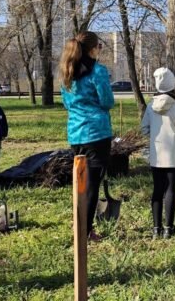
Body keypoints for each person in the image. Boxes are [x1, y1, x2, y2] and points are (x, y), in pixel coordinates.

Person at [60, 31, 114, 242]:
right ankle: (84, 230)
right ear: (92, 48)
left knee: (79, 182)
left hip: (76, 134)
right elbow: (107, 101)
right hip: (97, 133)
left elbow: (66, 104)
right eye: (99, 46)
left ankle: (79, 221)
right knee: (92, 185)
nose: (99, 50)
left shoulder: (68, 72)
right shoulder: (98, 71)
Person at [141, 68, 175, 239]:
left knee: (157, 189)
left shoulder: (150, 107)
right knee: (170, 189)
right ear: (172, 84)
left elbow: (144, 128)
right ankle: (168, 229)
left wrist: (154, 135)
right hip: (173, 154)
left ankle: (156, 229)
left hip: (157, 154)